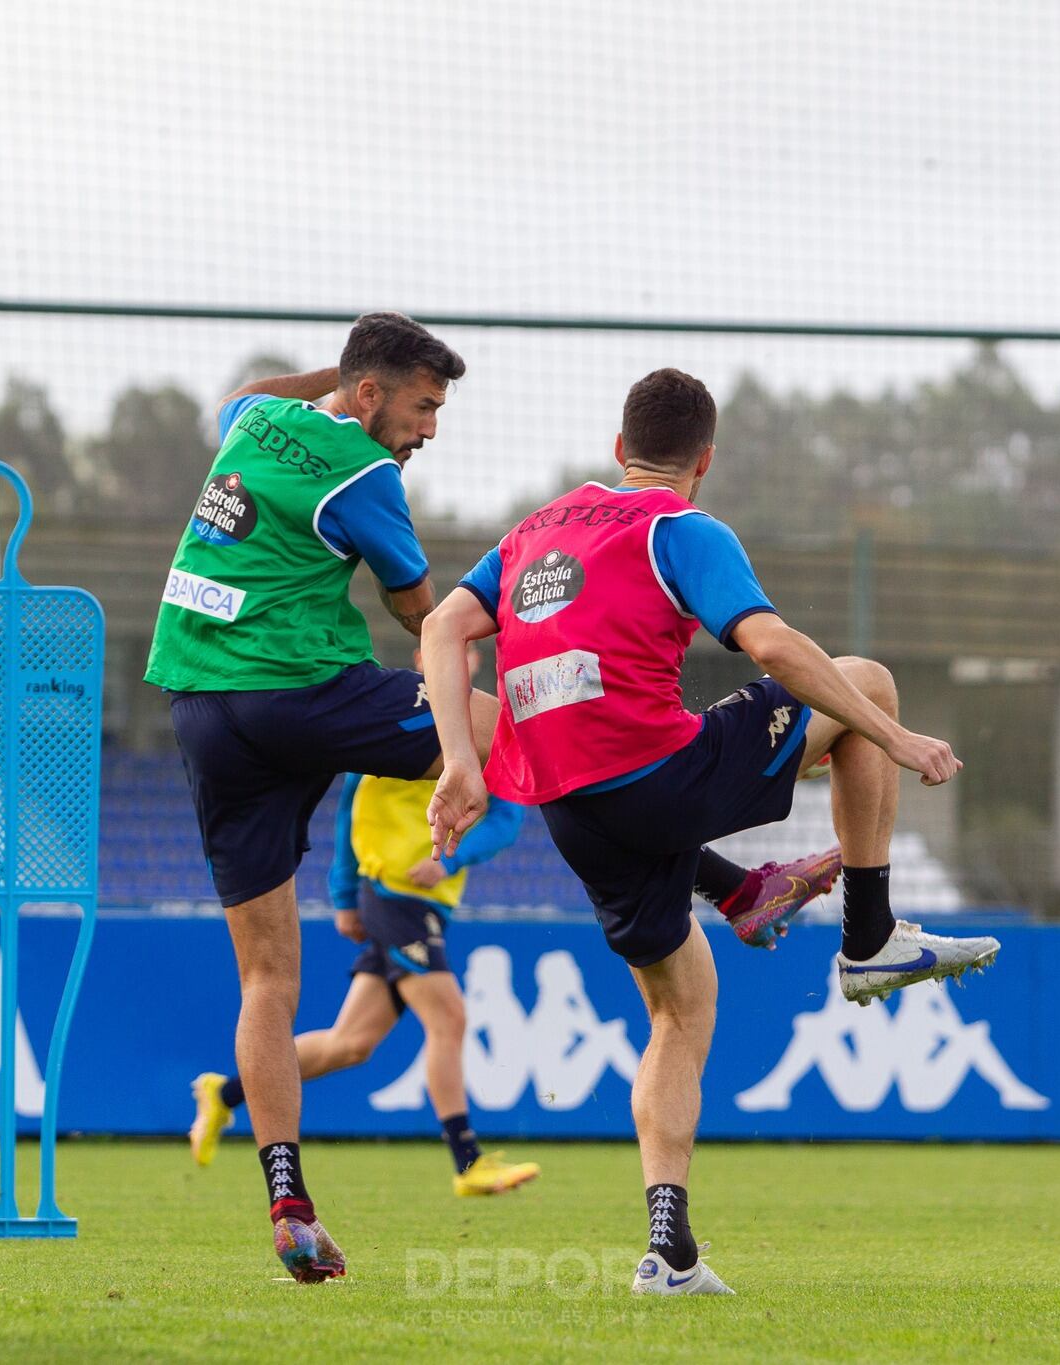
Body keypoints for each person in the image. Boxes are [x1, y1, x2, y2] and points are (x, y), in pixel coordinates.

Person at [148, 322, 825, 1283]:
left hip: (198, 705)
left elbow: (259, 387)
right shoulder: (367, 479)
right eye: (423, 405)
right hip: (303, 690)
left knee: (266, 977)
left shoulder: (251, 424)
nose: (429, 430)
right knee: (529, 726)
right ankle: (731, 884)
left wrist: (336, 383)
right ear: (374, 394)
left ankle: (288, 1197)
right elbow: (423, 613)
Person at [420, 367, 1003, 1295]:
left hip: (571, 808)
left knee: (680, 1007)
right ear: (705, 461)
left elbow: (445, 626)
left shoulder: (534, 531)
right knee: (870, 684)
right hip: (658, 775)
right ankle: (869, 936)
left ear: (618, 451)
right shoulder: (682, 527)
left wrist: (460, 758)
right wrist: (896, 740)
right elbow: (771, 645)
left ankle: (671, 1249)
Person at [188, 646, 544, 1198]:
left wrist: (451, 857)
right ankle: (468, 1162)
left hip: (429, 899)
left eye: (470, 649)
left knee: (350, 1044)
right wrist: (346, 898)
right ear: (423, 656)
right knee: (448, 1018)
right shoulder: (390, 721)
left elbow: (507, 818)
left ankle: (224, 1093)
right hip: (392, 893)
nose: (460, 657)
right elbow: (352, 810)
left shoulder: (478, 728)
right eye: (451, 646)